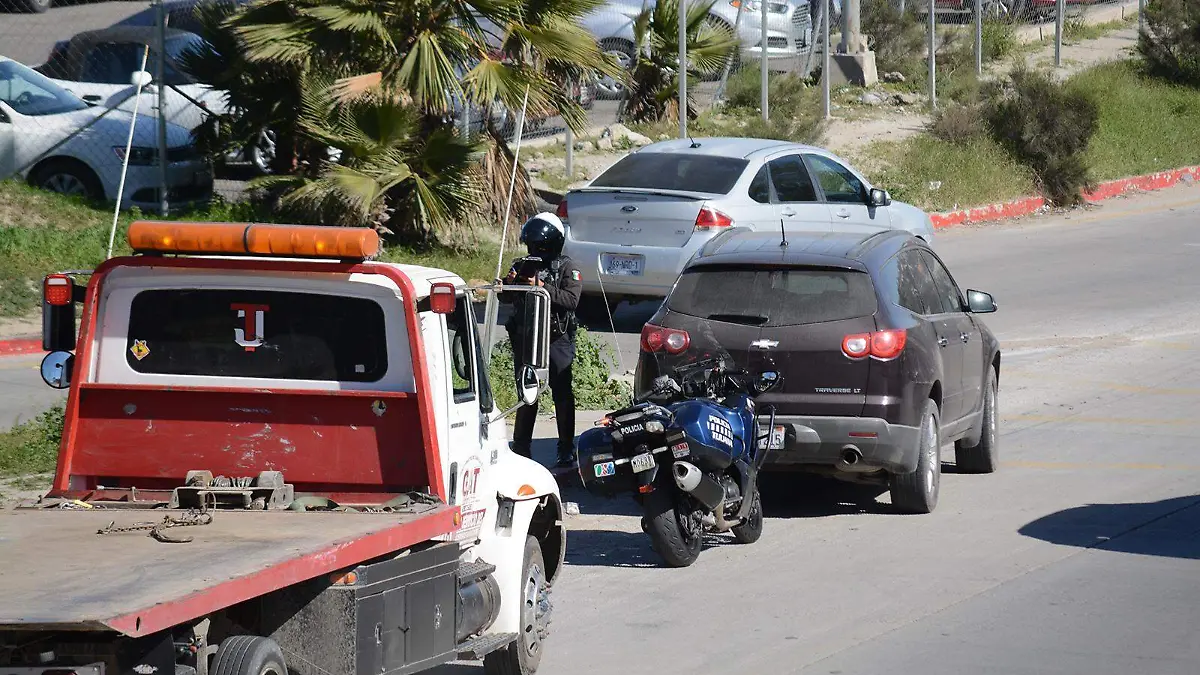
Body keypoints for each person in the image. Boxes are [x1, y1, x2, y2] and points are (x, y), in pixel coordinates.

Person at [501, 212, 582, 468]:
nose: (536, 251)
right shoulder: (521, 264)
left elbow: (571, 300)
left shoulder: (567, 267)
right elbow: (505, 298)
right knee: (527, 394)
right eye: (533, 246)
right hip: (528, 339)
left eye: (541, 246)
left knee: (562, 395)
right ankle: (521, 446)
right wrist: (510, 283)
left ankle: (566, 448)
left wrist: (541, 285)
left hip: (556, 339)